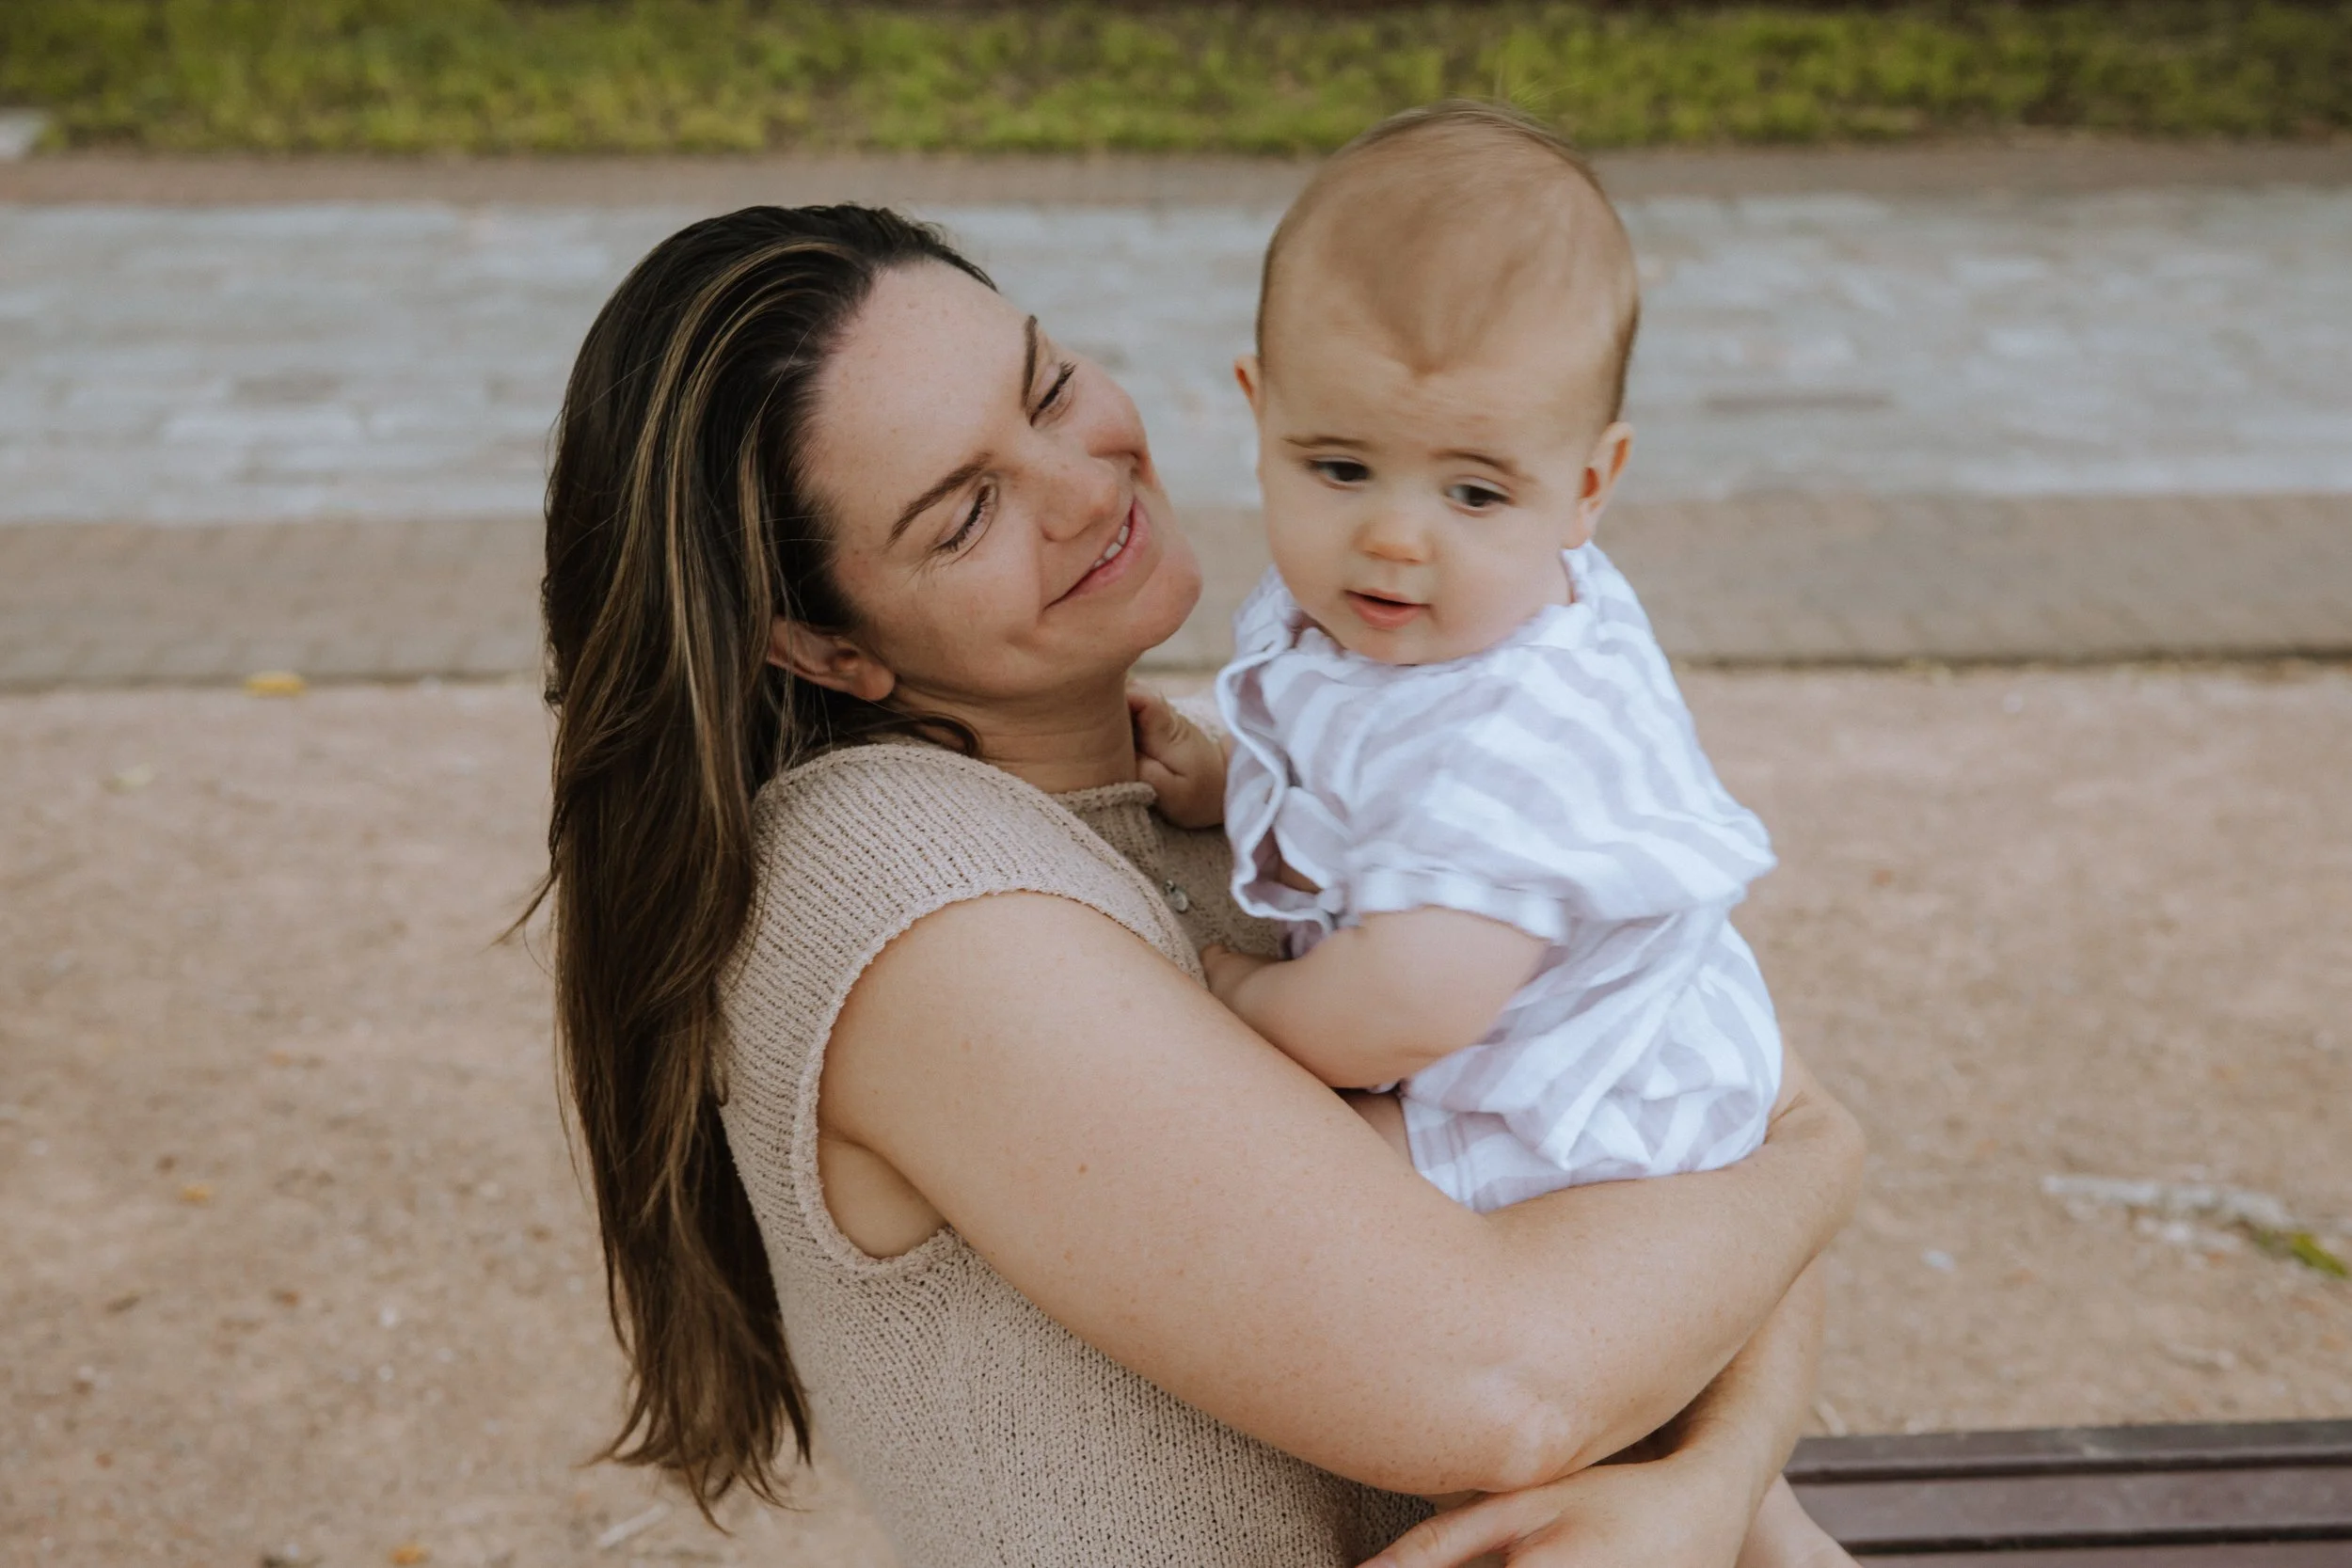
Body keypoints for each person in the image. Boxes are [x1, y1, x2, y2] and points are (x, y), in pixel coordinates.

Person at [534, 197, 1864, 1566]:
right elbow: (1514, 1382)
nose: (1082, 486)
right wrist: (1823, 1155)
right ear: (823, 647)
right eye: (967, 511)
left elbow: (1700, 1103)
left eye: (1048, 390)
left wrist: (1714, 1475)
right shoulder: (899, 894)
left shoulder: (1235, 783)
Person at [1129, 102, 1854, 1564]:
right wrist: (1232, 784)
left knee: (1358, 1213)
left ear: (1591, 484)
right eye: (1341, 468)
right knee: (1717, 1481)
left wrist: (1240, 993)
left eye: (1473, 489)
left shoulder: (1506, 729)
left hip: (1585, 1103)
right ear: (1258, 409)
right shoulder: (1410, 620)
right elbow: (1345, 773)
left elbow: (1409, 1002)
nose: (1398, 535)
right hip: (1568, 1044)